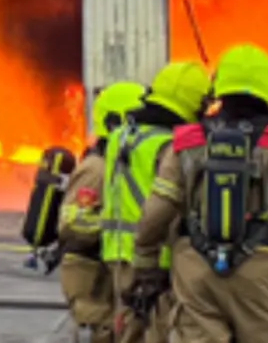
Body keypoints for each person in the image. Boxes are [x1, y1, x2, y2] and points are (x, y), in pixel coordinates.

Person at [130, 44, 268, 342]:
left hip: (194, 268)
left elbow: (157, 211)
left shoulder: (187, 141)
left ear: (219, 87)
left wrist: (145, 264)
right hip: (255, 268)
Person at [99, 60, 211, 343]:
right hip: (156, 259)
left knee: (126, 330)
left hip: (118, 254)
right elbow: (168, 206)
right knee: (157, 332)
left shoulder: (120, 137)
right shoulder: (169, 146)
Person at [58, 82, 145, 343]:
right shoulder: (96, 169)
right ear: (114, 123)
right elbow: (71, 222)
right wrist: (113, 223)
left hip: (108, 274)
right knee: (105, 333)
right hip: (91, 278)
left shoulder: (119, 164)